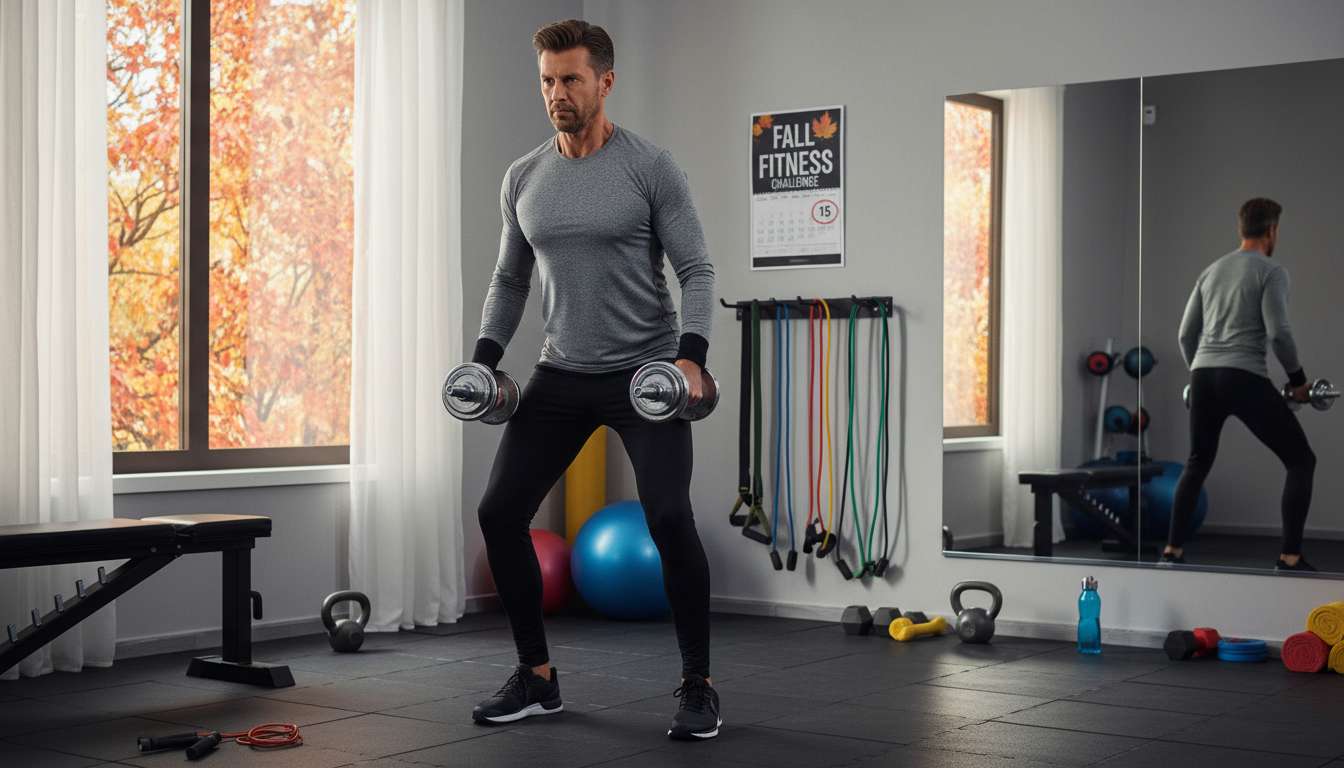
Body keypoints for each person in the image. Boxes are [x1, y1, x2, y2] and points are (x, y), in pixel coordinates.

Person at [467, 20, 721, 740]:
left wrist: (691, 355)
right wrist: (484, 360)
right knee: (499, 513)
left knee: (668, 517)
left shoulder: (650, 167)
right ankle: (536, 676)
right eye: (548, 80)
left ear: (605, 82)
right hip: (562, 372)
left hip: (647, 376)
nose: (557, 93)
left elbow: (697, 269)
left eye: (571, 79)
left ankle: (698, 684)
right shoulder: (524, 176)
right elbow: (509, 280)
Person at [1163, 198, 1317, 571]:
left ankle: (1172, 551)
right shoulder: (1271, 271)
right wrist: (1298, 381)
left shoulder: (1211, 271)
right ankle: (1290, 557)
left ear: (1241, 228)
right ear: (1272, 230)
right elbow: (1279, 333)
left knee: (1197, 462)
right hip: (1243, 375)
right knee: (1301, 460)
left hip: (1203, 375)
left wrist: (1199, 372)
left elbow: (1185, 335)